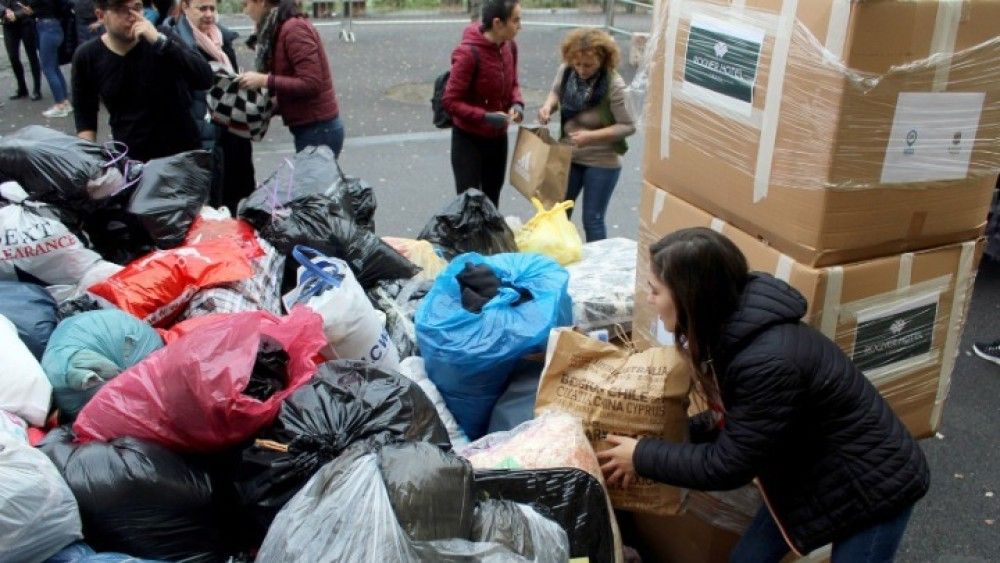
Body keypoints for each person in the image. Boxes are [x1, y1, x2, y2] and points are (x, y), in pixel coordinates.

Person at [597, 228, 929, 563]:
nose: (649, 298)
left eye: (655, 290)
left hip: (874, 486)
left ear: (689, 295)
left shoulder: (766, 362)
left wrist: (642, 456)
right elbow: (736, 420)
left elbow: (728, 464)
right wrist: (660, 433)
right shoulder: (731, 325)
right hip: (811, 474)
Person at [72, 0, 213, 162]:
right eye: (121, 9)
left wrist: (160, 42)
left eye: (137, 8)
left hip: (182, 156)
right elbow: (84, 114)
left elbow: (205, 78)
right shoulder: (87, 56)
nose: (133, 16)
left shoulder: (161, 38)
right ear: (101, 15)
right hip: (133, 161)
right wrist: (87, 161)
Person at [537, 28, 635, 242]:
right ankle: (558, 257)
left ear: (603, 60)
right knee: (557, 214)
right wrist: (548, 107)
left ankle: (598, 269)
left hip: (602, 161)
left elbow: (628, 126)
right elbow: (555, 91)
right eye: (577, 63)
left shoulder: (615, 86)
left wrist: (591, 137)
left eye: (588, 65)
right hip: (568, 155)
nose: (581, 70)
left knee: (593, 219)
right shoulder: (566, 71)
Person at [166, 0, 255, 214]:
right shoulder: (177, 44)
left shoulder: (223, 41)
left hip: (232, 133)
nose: (209, 14)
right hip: (202, 136)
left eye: (212, 9)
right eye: (202, 8)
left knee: (234, 201)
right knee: (210, 208)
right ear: (185, 7)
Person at [441, 0, 523, 208]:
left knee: (492, 199)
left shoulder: (509, 46)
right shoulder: (468, 53)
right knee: (469, 204)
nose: (520, 26)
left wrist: (517, 103)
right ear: (498, 23)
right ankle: (470, 241)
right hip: (469, 138)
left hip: (497, 138)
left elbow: (513, 83)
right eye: (516, 20)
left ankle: (489, 241)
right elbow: (450, 101)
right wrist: (485, 117)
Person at [239, 0, 343, 156]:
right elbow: (292, 81)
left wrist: (264, 80)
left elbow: (311, 83)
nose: (245, 11)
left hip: (318, 130)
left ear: (261, 2)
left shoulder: (294, 29)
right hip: (311, 128)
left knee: (313, 180)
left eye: (245, 4)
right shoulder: (279, 28)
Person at [22, 0, 70, 116]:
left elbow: (32, 8)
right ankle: (65, 101)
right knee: (54, 67)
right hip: (54, 26)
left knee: (48, 68)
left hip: (46, 27)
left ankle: (60, 104)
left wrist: (30, 10)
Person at [2, 0, 42, 101]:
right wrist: (5, 11)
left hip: (26, 23)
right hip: (8, 24)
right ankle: (22, 88)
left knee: (32, 56)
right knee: (13, 57)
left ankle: (37, 89)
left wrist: (16, 14)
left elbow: (32, 5)